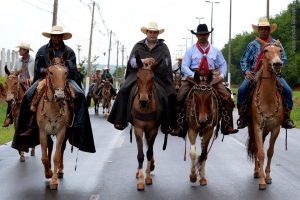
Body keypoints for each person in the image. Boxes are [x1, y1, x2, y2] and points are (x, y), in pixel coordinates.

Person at [11, 25, 96, 153]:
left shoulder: (69, 52)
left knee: (80, 95)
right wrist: (45, 70)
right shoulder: (42, 50)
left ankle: (78, 127)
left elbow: (72, 70)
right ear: (51, 36)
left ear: (62, 37)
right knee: (27, 96)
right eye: (54, 35)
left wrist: (61, 71)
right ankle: (28, 127)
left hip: (66, 79)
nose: (56, 37)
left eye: (58, 35)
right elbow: (37, 68)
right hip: (44, 79)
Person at [107, 21, 176, 134]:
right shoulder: (138, 46)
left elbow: (167, 64)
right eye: (150, 32)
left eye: (155, 32)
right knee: (124, 89)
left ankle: (168, 123)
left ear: (158, 34)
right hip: (138, 73)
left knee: (171, 93)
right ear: (146, 33)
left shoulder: (163, 47)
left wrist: (154, 65)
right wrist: (143, 61)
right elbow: (132, 62)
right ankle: (120, 119)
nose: (152, 34)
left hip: (157, 75)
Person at [172, 24, 238, 137]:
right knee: (179, 97)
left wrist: (221, 75)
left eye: (205, 34)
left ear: (208, 35)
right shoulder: (190, 51)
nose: (202, 36)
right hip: (194, 78)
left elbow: (223, 64)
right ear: (197, 36)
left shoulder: (215, 50)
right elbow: (184, 66)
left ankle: (227, 125)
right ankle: (179, 126)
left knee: (227, 97)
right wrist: (193, 75)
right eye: (200, 35)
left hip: (211, 78)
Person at [237, 17, 295, 129]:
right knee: (242, 90)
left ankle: (287, 117)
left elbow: (284, 57)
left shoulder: (276, 44)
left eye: (266, 29)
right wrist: (247, 71)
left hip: (273, 74)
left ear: (269, 30)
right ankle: (242, 116)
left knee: (287, 90)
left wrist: (277, 65)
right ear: (258, 30)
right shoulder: (252, 45)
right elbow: (243, 60)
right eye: (261, 29)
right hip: (254, 74)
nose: (264, 30)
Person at [3, 42, 35, 127]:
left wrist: (31, 79)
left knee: (35, 95)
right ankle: (9, 117)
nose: (19, 50)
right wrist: (12, 74)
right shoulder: (18, 60)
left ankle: (33, 115)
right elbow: (13, 70)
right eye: (20, 49)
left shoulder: (32, 60)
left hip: (30, 83)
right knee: (11, 96)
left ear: (26, 50)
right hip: (19, 82)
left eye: (21, 49)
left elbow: (35, 73)